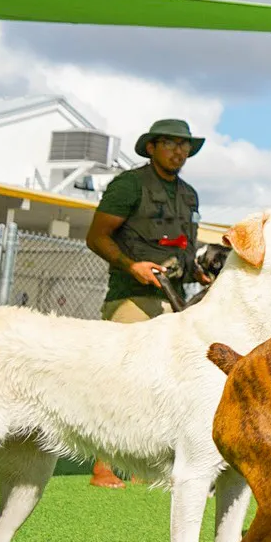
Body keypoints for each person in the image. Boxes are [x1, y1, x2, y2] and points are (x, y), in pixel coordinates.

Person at [84, 118, 206, 488]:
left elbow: (184, 245)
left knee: (163, 383)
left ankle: (141, 463)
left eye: (185, 145)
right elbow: (96, 236)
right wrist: (130, 265)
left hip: (175, 301)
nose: (179, 151)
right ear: (151, 147)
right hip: (132, 297)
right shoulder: (128, 184)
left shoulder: (189, 193)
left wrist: (196, 274)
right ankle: (102, 467)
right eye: (170, 143)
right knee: (119, 378)